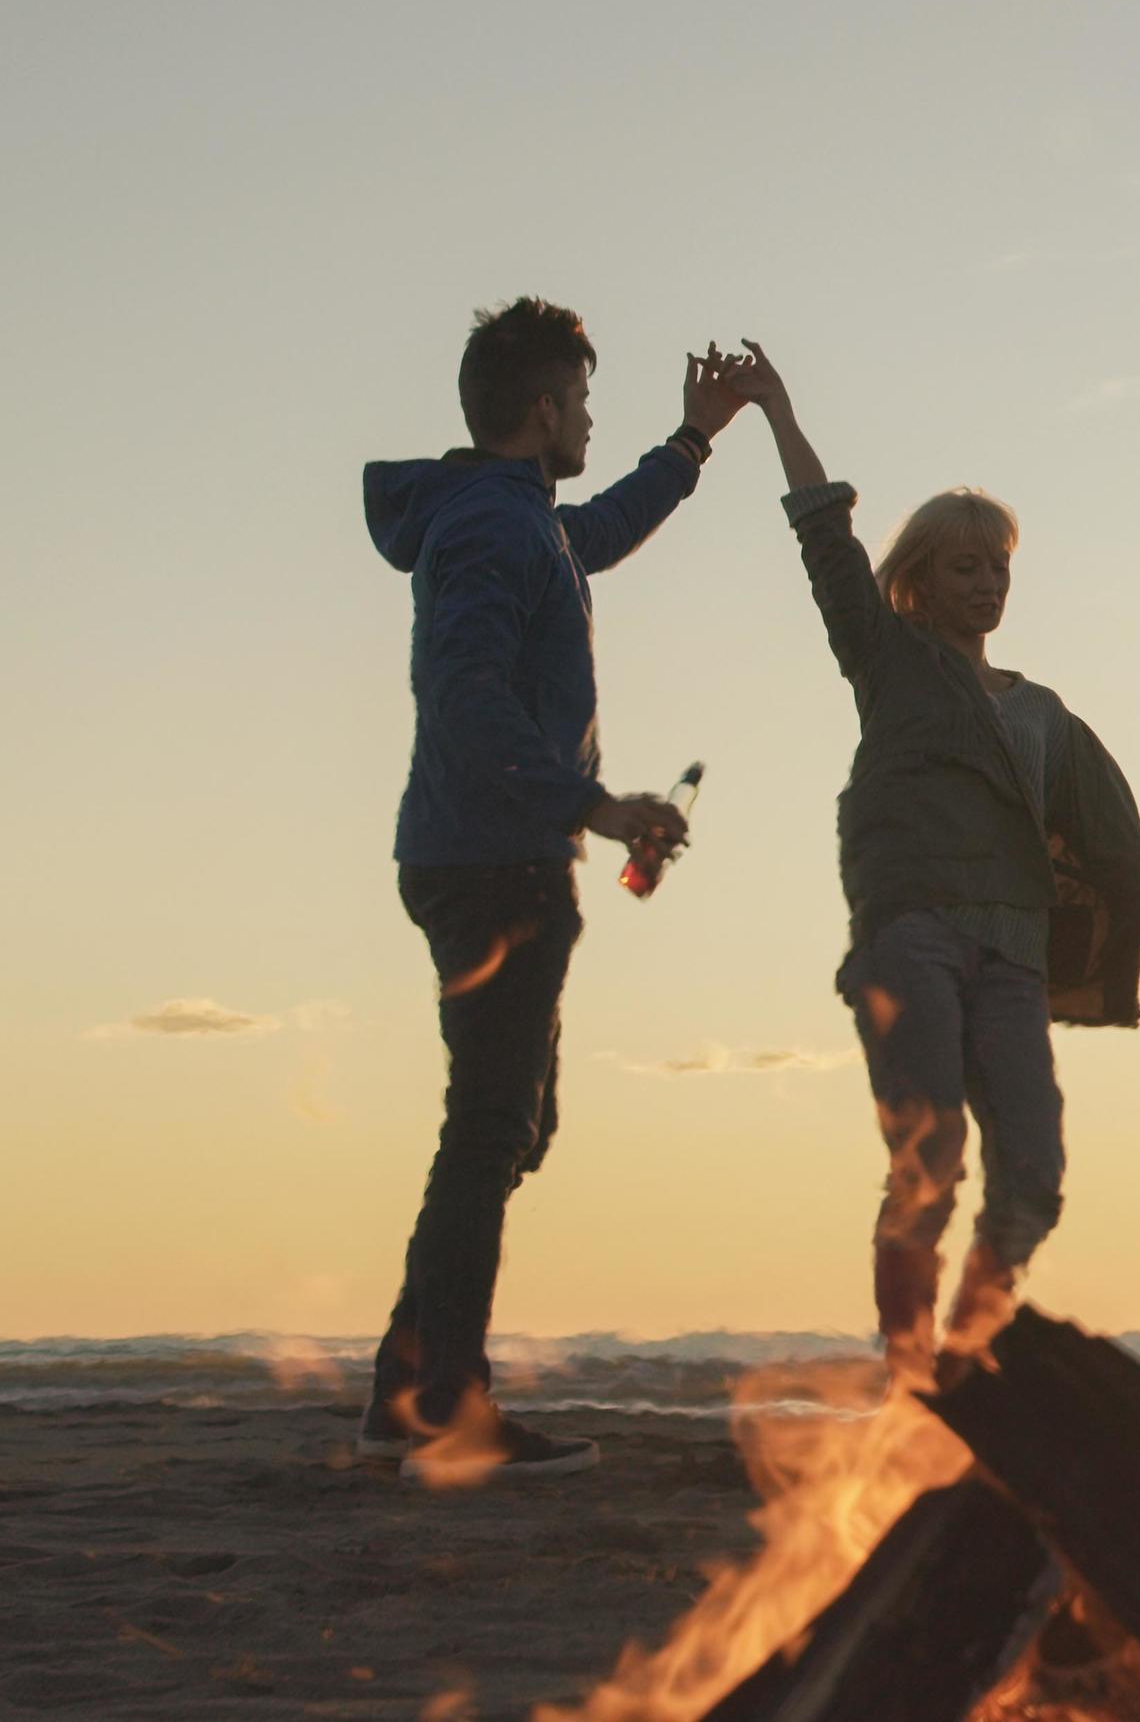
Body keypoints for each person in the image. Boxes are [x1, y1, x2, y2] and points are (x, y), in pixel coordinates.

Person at [718, 342, 1140, 1380]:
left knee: (1032, 1174)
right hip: (912, 935)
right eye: (965, 565)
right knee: (931, 1159)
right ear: (919, 580)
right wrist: (774, 405)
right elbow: (824, 537)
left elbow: (1114, 842)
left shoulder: (1043, 716)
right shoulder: (890, 661)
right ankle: (908, 1374)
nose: (988, 581)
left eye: (998, 564)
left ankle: (961, 1364)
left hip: (1014, 955)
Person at [355, 298, 742, 1482]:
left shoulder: (518, 519)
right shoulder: (487, 528)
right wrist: (594, 806)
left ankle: (408, 1386)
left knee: (511, 1127)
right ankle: (441, 1404)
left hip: (492, 856)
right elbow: (462, 694)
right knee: (488, 1132)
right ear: (541, 409)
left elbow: (596, 531)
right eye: (579, 400)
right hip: (492, 863)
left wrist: (689, 447)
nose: (586, 418)